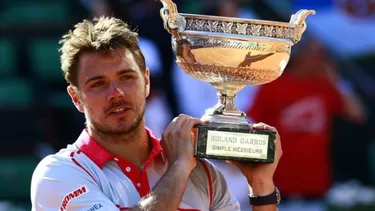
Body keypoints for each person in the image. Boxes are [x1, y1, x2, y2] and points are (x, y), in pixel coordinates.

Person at [30, 16, 283, 211]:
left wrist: (260, 187)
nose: (115, 92)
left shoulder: (203, 174)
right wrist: (179, 167)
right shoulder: (58, 173)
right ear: (76, 98)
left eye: (126, 77)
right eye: (98, 84)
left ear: (147, 82)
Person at [246, 37, 367, 210]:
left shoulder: (324, 86)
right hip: (279, 186)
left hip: (314, 185)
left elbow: (358, 114)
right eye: (318, 55)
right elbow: (252, 122)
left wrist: (335, 80)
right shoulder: (273, 86)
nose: (324, 60)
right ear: (301, 56)